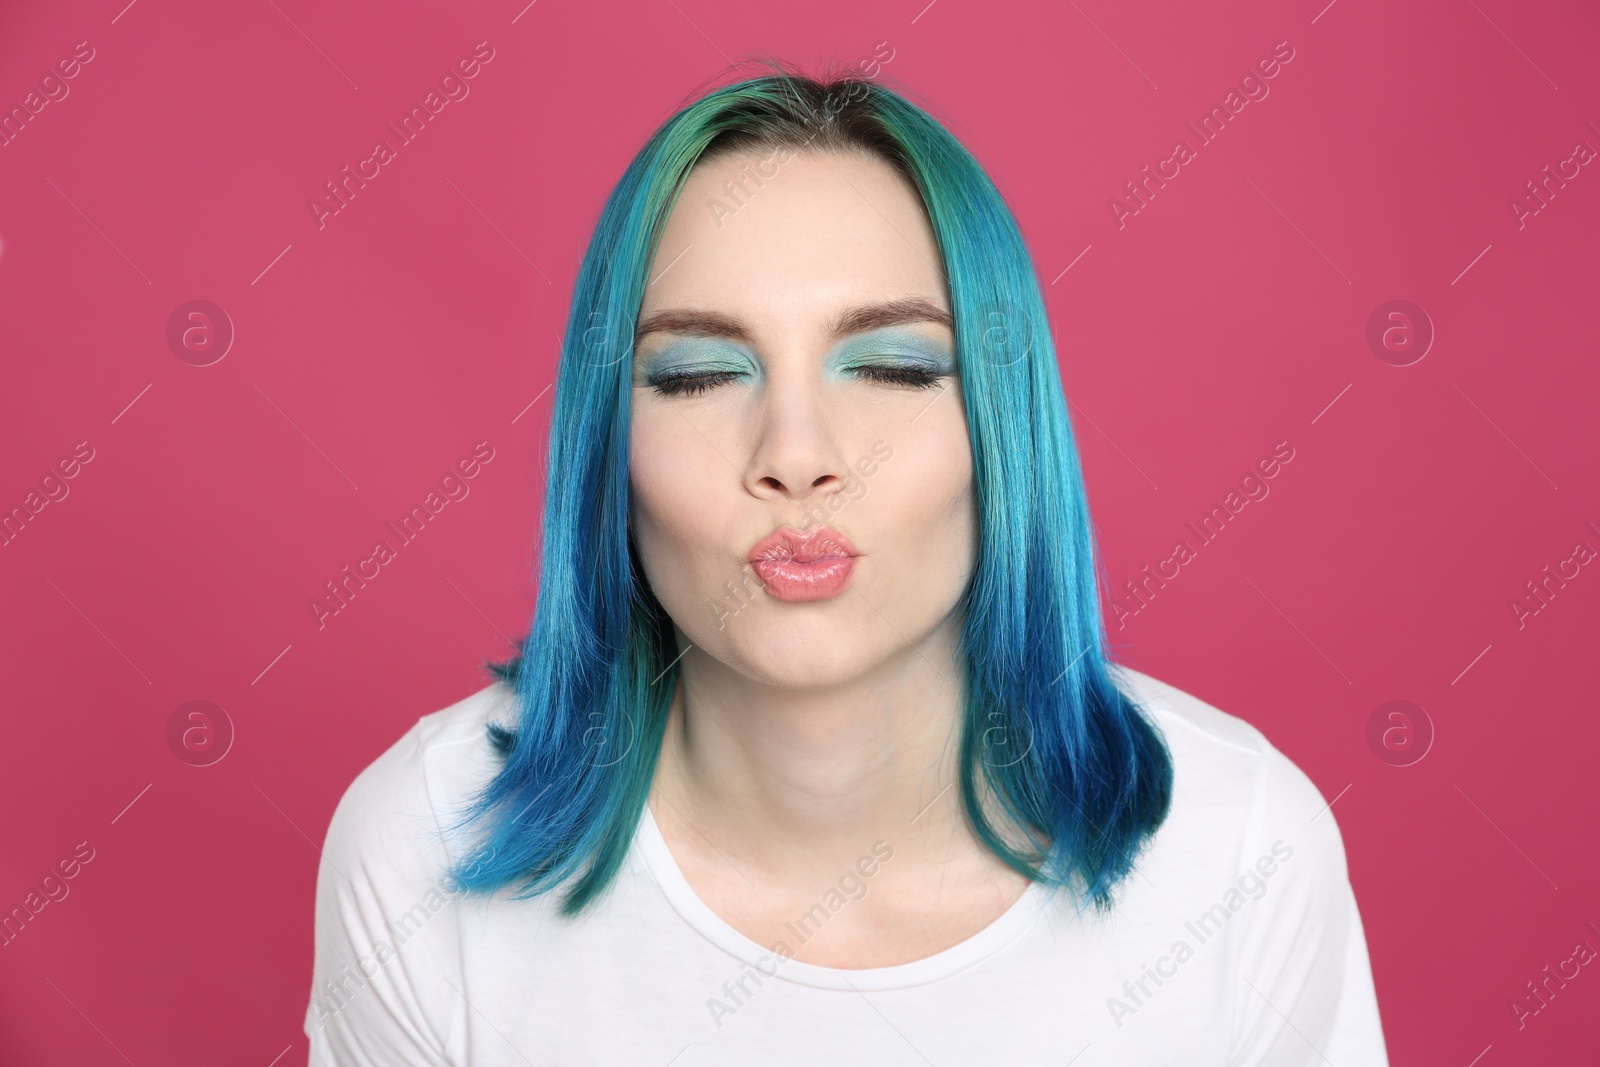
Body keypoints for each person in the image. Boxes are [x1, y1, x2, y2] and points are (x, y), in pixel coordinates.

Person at [304, 65, 1388, 1065]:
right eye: (694, 375)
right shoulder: (421, 851)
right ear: (607, 444)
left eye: (894, 365)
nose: (796, 457)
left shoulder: (1239, 853)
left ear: (999, 430)